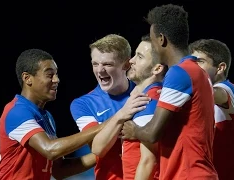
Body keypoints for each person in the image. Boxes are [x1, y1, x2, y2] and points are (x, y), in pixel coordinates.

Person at [121, 4, 219, 180]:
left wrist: (134, 130)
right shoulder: (199, 72)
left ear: (161, 39)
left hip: (187, 174)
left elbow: (152, 133)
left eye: (152, 40)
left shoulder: (179, 73)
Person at [0, 49, 106, 180]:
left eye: (56, 74)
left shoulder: (46, 117)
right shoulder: (17, 112)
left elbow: (59, 170)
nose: (57, 79)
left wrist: (104, 154)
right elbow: (50, 150)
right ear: (27, 78)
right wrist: (105, 126)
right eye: (49, 75)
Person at [70, 34, 150, 180]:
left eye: (107, 64)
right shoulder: (82, 104)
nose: (100, 70)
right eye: (95, 64)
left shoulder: (146, 93)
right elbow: (98, 148)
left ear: (126, 65)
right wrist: (122, 114)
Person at [91, 34, 166, 180]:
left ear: (157, 68)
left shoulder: (148, 100)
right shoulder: (139, 98)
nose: (131, 61)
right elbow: (97, 149)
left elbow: (148, 161)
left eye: (139, 57)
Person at [189, 39, 234, 180]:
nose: (194, 67)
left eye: (200, 61)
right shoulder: (198, 100)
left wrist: (176, 90)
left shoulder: (229, 90)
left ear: (220, 68)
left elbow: (213, 94)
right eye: (192, 62)